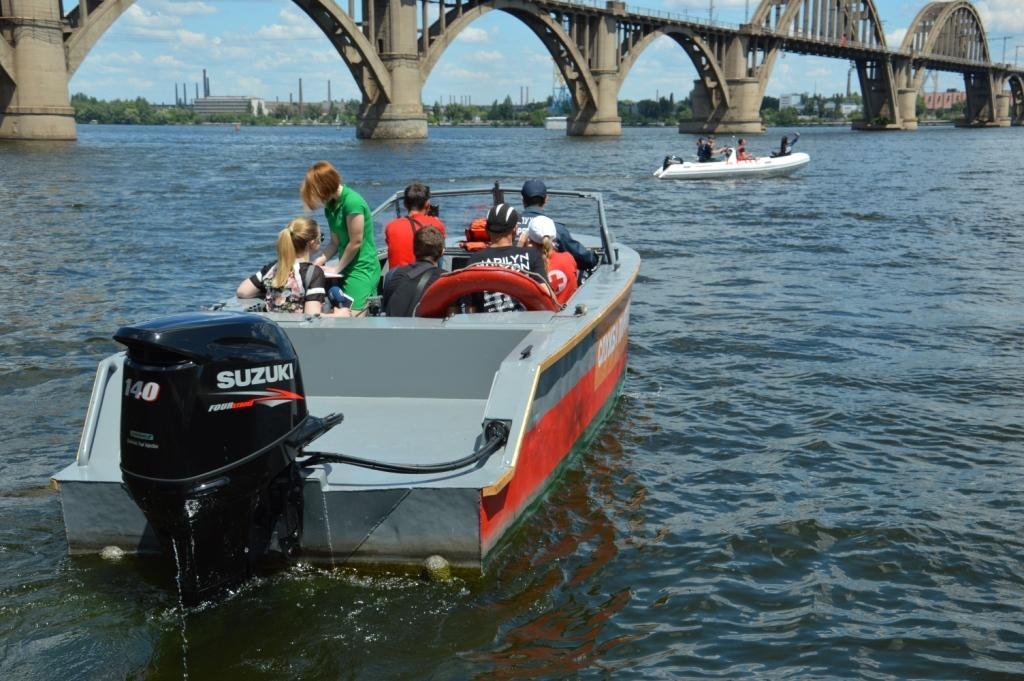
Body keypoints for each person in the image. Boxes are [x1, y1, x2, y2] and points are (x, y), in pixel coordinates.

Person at [300, 161, 381, 317]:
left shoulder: (352, 202)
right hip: (345, 265)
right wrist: (318, 261)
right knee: (341, 309)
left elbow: (356, 242)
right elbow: (335, 243)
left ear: (324, 186)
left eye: (315, 192)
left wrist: (337, 268)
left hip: (362, 268)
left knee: (354, 315)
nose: (316, 197)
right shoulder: (330, 207)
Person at [465, 203, 548, 313]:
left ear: (487, 229)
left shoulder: (474, 260)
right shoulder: (532, 255)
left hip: (487, 326)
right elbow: (546, 295)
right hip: (526, 325)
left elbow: (471, 308)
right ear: (515, 229)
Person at [236, 217, 328, 315]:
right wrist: (339, 314)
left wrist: (271, 291)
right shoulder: (314, 272)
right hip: (297, 327)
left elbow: (242, 292)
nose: (321, 240)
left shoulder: (273, 268)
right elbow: (312, 315)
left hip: (272, 325)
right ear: (312, 242)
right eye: (321, 237)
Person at [519, 179, 599, 275]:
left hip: (515, 277)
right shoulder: (554, 229)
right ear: (546, 199)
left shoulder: (509, 226)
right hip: (546, 279)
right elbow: (584, 259)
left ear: (522, 199)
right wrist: (594, 258)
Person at [383, 226, 445, 317]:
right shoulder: (446, 279)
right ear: (442, 252)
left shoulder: (392, 275)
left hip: (396, 329)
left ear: (414, 249)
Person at [384, 182, 446, 269]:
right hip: (424, 278)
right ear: (427, 205)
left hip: (397, 279)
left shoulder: (391, 226)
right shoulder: (436, 224)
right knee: (440, 251)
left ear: (405, 204)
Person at [520, 215, 578, 305]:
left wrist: (520, 249)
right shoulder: (568, 258)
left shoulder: (527, 267)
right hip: (569, 311)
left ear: (529, 239)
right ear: (553, 237)